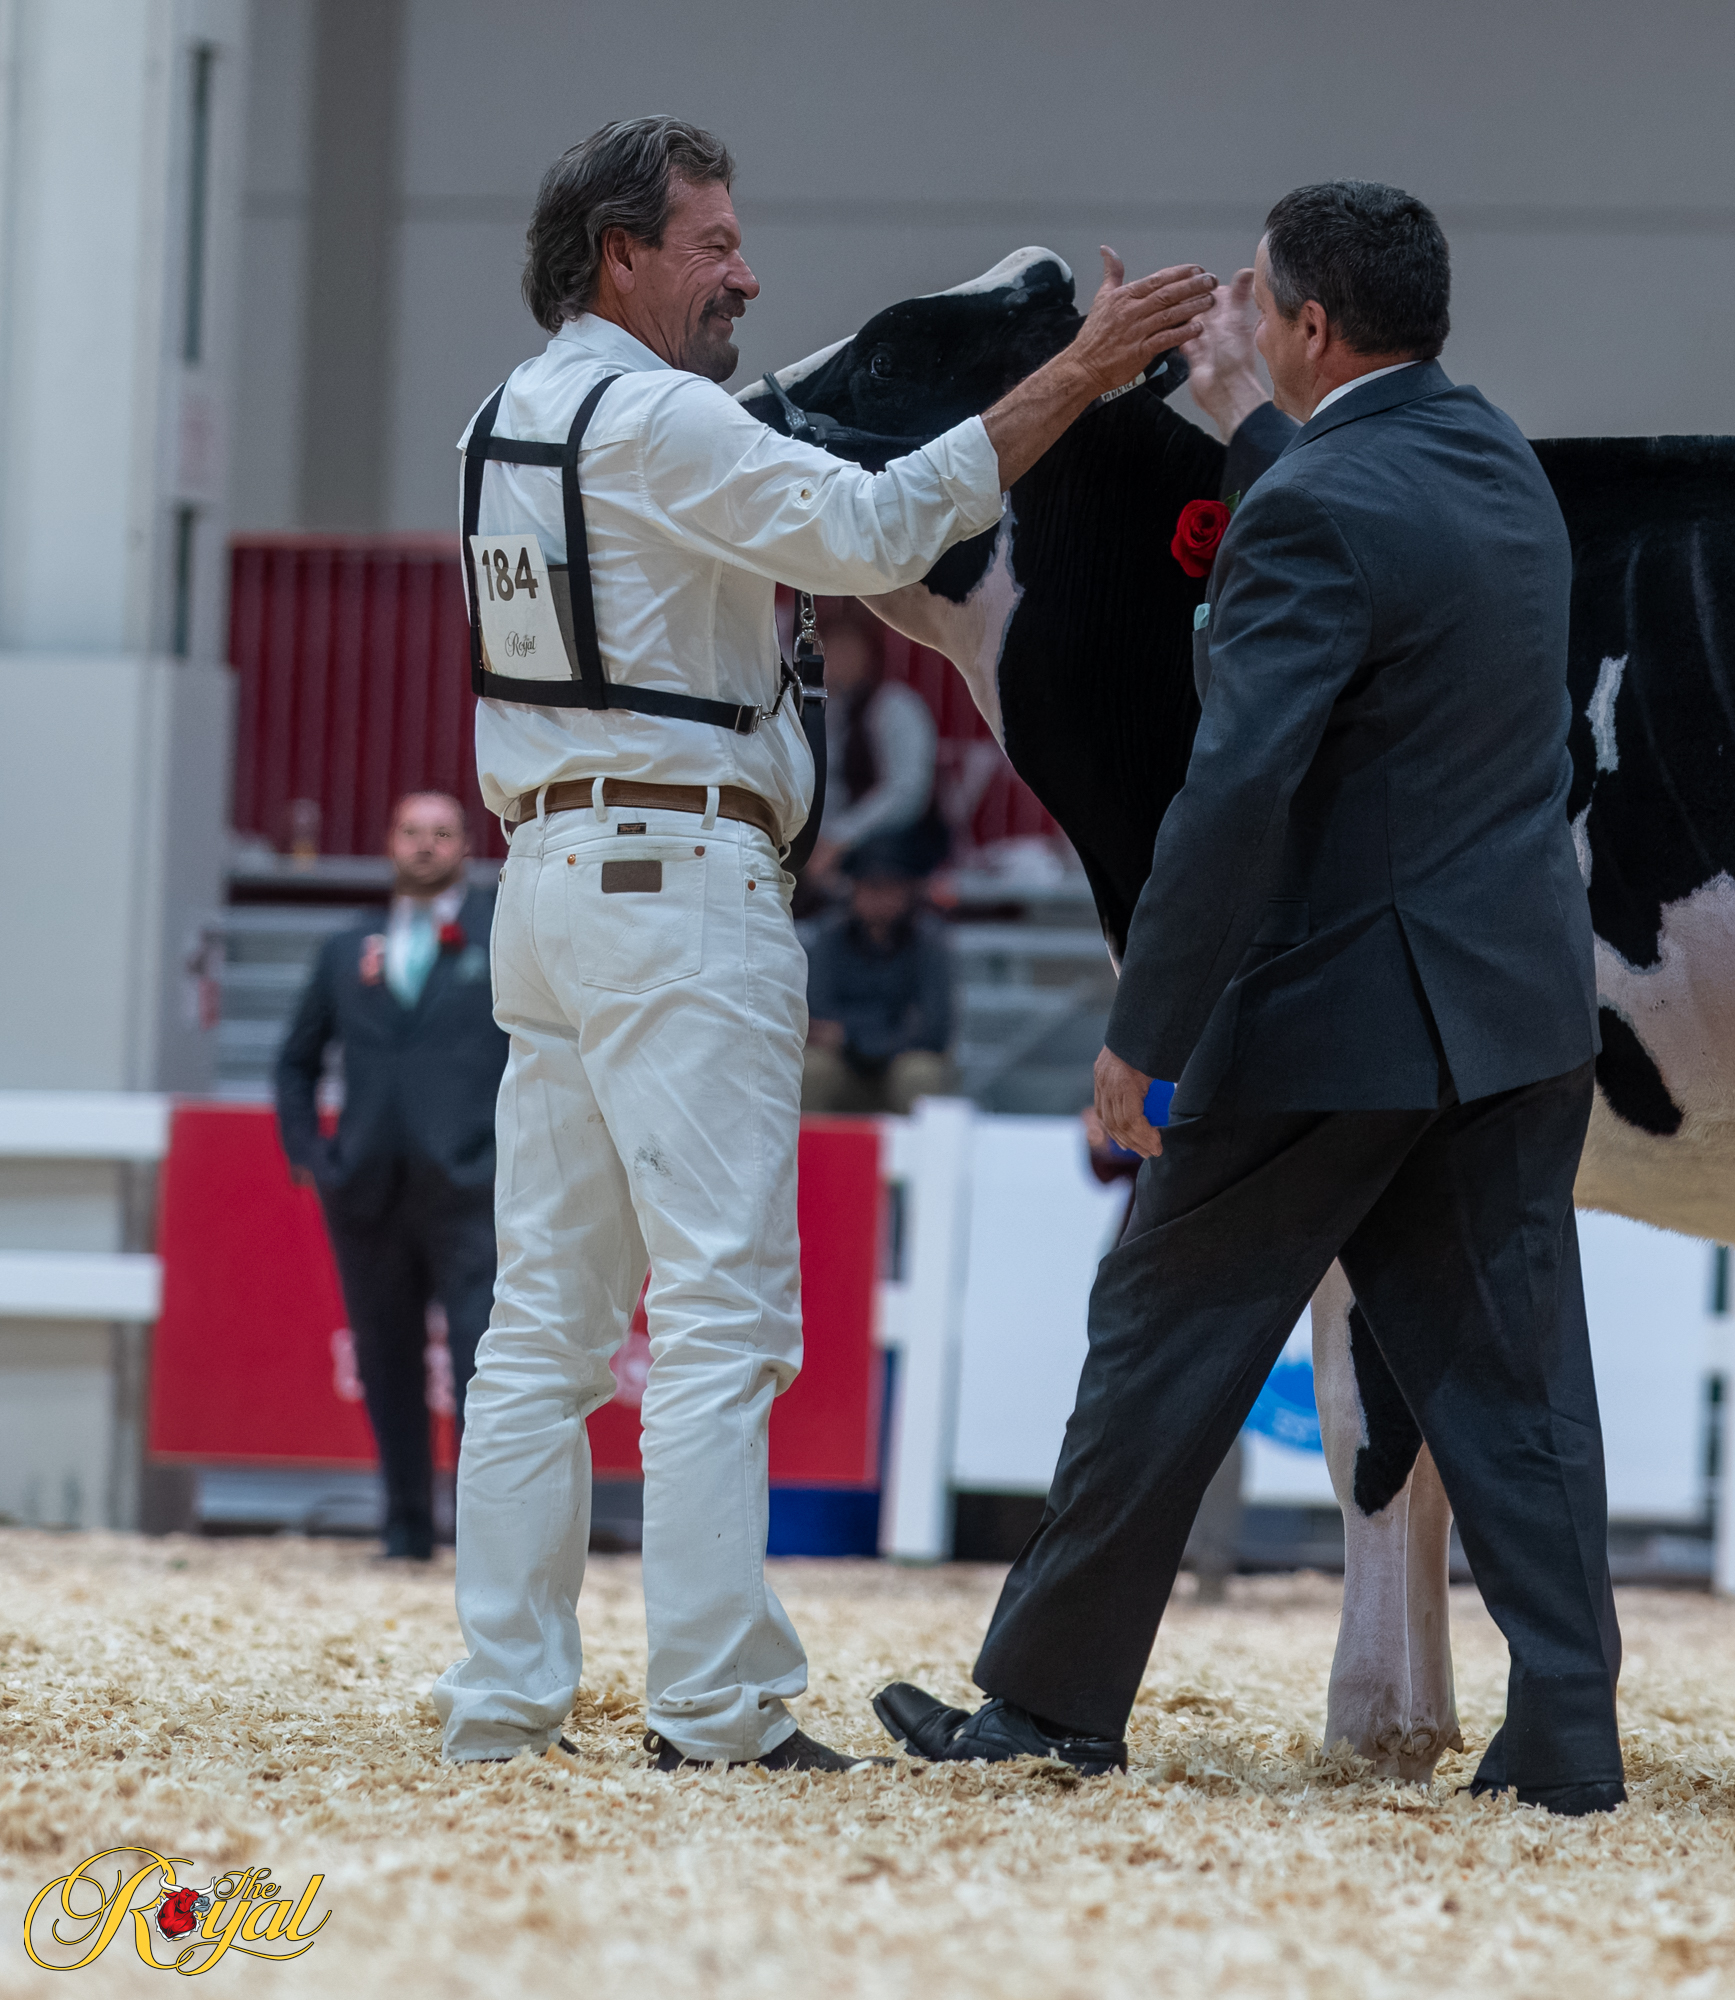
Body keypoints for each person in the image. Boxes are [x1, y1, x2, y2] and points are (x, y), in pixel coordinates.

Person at [430, 115, 1210, 1773]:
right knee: (721, 1312)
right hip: (675, 878)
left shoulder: (501, 418)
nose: (747, 275)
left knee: (543, 1325)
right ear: (620, 256)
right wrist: (1075, 376)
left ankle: (501, 1700)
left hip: (548, 876)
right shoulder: (658, 418)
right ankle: (715, 1708)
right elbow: (873, 531)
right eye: (713, 244)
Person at [870, 182, 1623, 1814]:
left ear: (1313, 325)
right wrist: (1242, 421)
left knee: (1160, 1339)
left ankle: (1048, 1706)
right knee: (1519, 1390)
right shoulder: (1495, 458)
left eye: (1260, 300)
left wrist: (1144, 1034)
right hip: (1514, 1012)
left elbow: (1234, 794)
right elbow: (1363, 520)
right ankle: (1570, 1737)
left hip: (1330, 1020)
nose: (1245, 320)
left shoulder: (1311, 508)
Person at [272, 792, 508, 1562]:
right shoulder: (346, 948)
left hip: (471, 1188)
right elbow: (295, 1062)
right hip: (367, 1191)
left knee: (482, 1366)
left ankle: (484, 1543)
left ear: (467, 847)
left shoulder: (501, 935)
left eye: (442, 833)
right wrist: (313, 1155)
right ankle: (404, 1529)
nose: (426, 845)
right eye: (412, 831)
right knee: (385, 1363)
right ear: (389, 843)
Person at [804, 594, 948, 894]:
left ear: (869, 654)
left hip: (892, 837)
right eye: (829, 649)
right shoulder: (821, 712)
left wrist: (841, 836)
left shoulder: (896, 706)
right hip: (831, 836)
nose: (837, 659)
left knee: (879, 860)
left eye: (847, 649)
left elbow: (906, 794)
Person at [800, 848, 958, 1113]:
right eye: (870, 887)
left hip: (900, 1061)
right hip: (845, 1066)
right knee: (810, 1068)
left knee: (921, 1073)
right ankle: (804, 1142)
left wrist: (852, 1037)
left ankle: (928, 1143)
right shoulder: (828, 938)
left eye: (889, 887)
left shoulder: (930, 942)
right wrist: (879, 1032)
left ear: (908, 891)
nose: (879, 897)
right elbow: (818, 1016)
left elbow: (934, 1028)